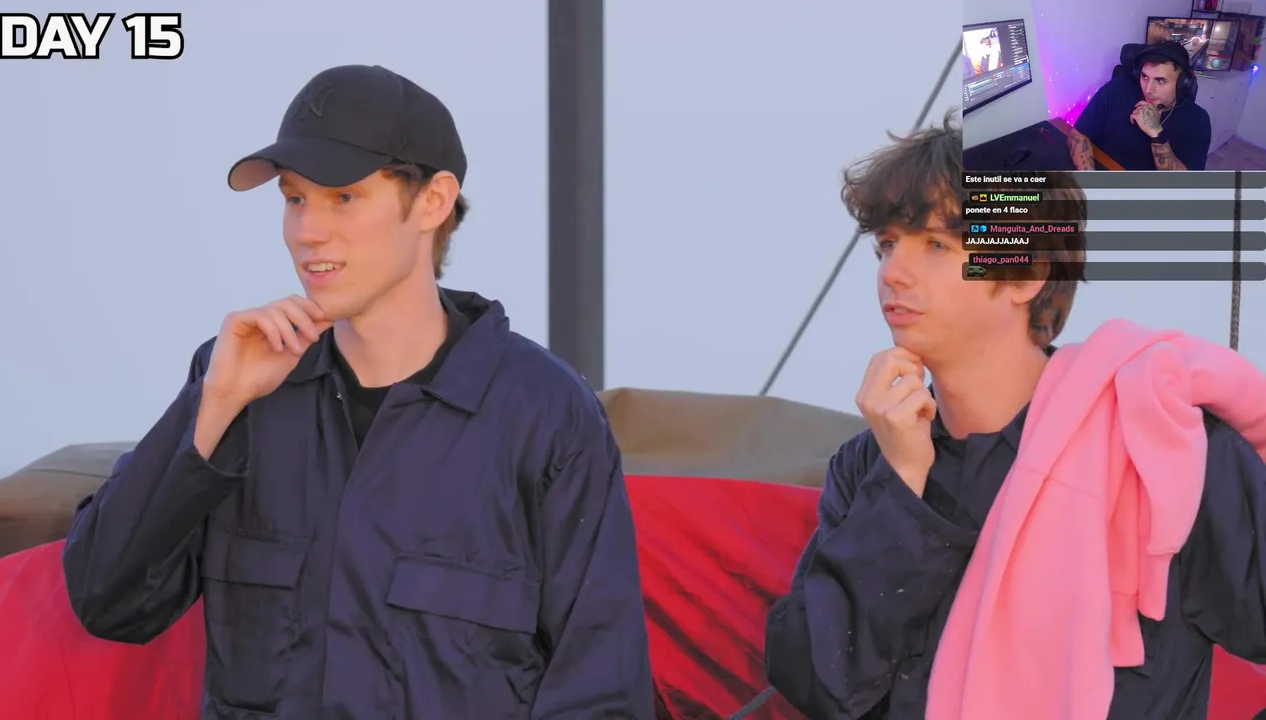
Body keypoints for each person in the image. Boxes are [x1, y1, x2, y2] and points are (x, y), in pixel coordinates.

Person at [62, 64, 654, 719]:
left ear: (432, 201)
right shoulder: (238, 381)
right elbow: (108, 601)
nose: (307, 231)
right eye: (294, 199)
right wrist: (215, 404)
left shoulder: (544, 414)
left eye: (343, 197)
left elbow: (600, 695)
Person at [763, 114, 1266, 718]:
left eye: (937, 245)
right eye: (889, 244)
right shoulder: (872, 463)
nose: (892, 272)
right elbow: (817, 684)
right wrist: (900, 486)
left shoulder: (1160, 441)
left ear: (1027, 273)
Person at [1065, 41, 1211, 171]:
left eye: (1160, 81)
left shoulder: (1198, 120)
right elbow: (1078, 135)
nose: (1148, 90)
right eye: (1144, 77)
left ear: (1182, 84)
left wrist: (1156, 133)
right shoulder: (1117, 89)